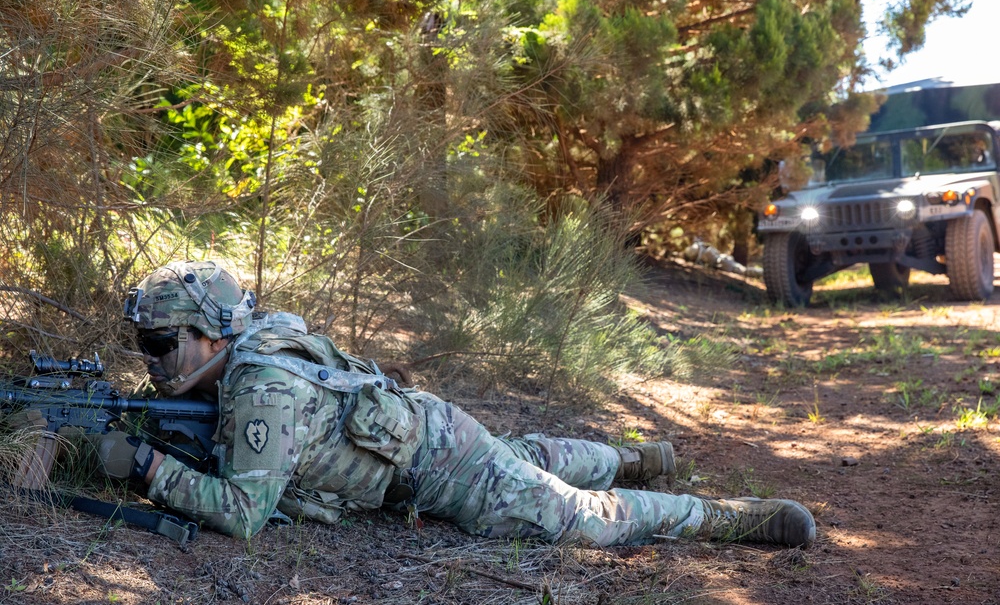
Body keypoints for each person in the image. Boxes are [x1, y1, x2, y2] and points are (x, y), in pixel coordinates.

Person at [91, 260, 815, 548]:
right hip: (431, 433)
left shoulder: (261, 384)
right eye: (143, 342)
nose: (151, 358)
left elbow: (244, 513)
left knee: (581, 519)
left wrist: (146, 467)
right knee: (528, 458)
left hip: (440, 467)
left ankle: (719, 514)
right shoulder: (255, 346)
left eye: (160, 342)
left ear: (211, 332)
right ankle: (629, 456)